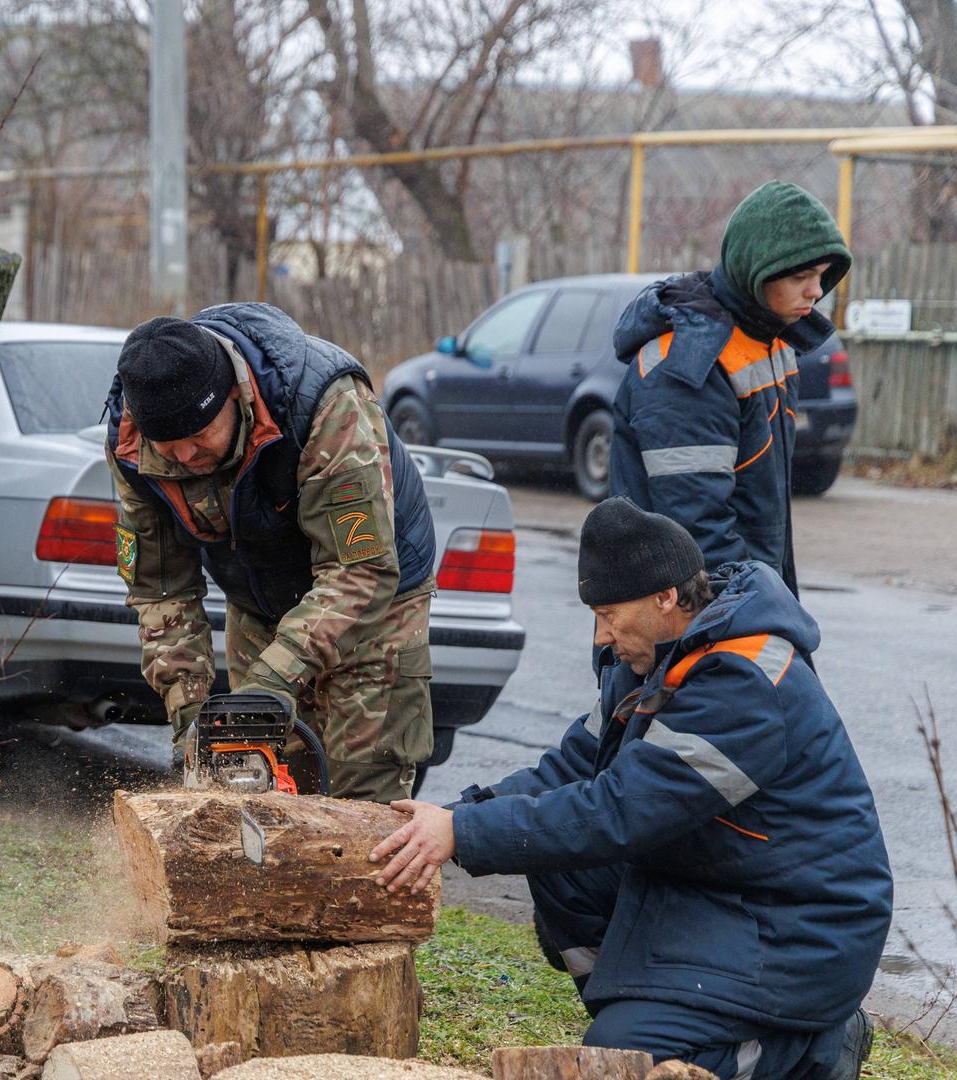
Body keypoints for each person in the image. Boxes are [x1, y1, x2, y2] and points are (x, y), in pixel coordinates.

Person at [370, 498, 890, 1079]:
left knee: (629, 1055)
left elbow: (619, 811)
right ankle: (644, 1005)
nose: (601, 635)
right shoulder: (651, 662)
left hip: (805, 923)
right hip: (725, 883)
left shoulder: (744, 682)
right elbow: (569, 770)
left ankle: (815, 1047)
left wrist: (463, 834)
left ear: (665, 597)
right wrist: (452, 816)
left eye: (609, 613)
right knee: (560, 870)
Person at [104, 304, 437, 802]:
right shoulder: (133, 448)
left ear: (233, 399)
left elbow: (361, 571)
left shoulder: (326, 407)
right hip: (259, 600)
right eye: (168, 448)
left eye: (198, 439)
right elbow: (160, 590)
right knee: (256, 782)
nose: (185, 458)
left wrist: (271, 681)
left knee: (360, 796)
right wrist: (190, 719)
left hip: (374, 602)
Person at [611, 180, 851, 596]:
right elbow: (696, 532)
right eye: (800, 276)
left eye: (820, 276)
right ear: (755, 273)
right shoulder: (689, 362)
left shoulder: (770, 338)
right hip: (684, 621)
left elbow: (761, 513)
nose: (816, 291)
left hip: (745, 597)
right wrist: (759, 613)